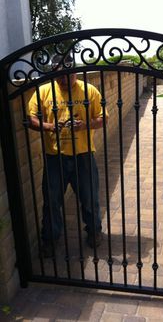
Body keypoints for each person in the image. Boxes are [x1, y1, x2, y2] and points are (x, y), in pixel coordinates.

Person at [27, 54, 108, 257]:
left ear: (75, 72)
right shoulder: (43, 91)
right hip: (55, 156)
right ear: (54, 74)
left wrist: (84, 125)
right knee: (52, 200)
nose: (63, 80)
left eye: (67, 75)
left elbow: (102, 118)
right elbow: (31, 118)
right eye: (59, 76)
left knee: (90, 198)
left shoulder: (89, 90)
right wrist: (49, 126)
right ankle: (51, 238)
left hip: (83, 155)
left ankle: (94, 232)